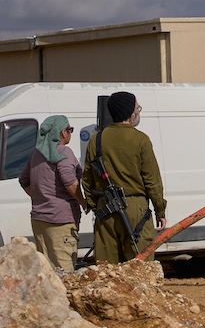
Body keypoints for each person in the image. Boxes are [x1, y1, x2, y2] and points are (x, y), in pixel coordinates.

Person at [82, 92, 167, 263]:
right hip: (135, 209)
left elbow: (87, 179)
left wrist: (93, 204)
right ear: (130, 113)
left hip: (104, 210)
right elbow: (152, 180)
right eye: (137, 108)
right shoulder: (140, 139)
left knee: (108, 272)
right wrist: (160, 210)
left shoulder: (96, 139)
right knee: (140, 267)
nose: (139, 112)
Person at [19, 116, 86, 271]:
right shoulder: (64, 152)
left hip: (39, 219)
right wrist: (83, 201)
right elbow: (69, 181)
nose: (70, 133)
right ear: (63, 133)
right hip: (61, 221)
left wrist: (41, 197)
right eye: (70, 130)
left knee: (47, 271)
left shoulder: (36, 154)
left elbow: (24, 180)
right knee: (64, 271)